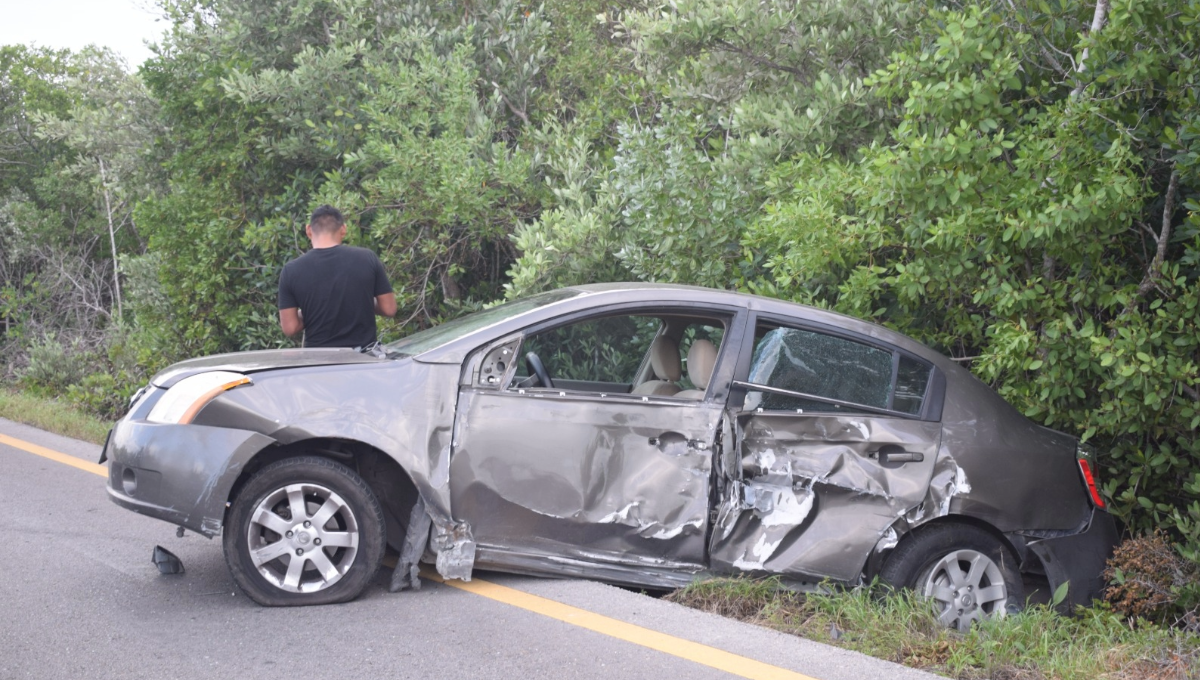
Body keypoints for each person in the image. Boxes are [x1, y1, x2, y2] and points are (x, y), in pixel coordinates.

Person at [278, 205, 397, 348]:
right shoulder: (367, 258)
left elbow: (290, 328)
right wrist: (360, 301)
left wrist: (312, 311)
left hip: (319, 363)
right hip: (364, 360)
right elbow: (389, 309)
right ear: (343, 229)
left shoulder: (291, 270)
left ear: (309, 230)